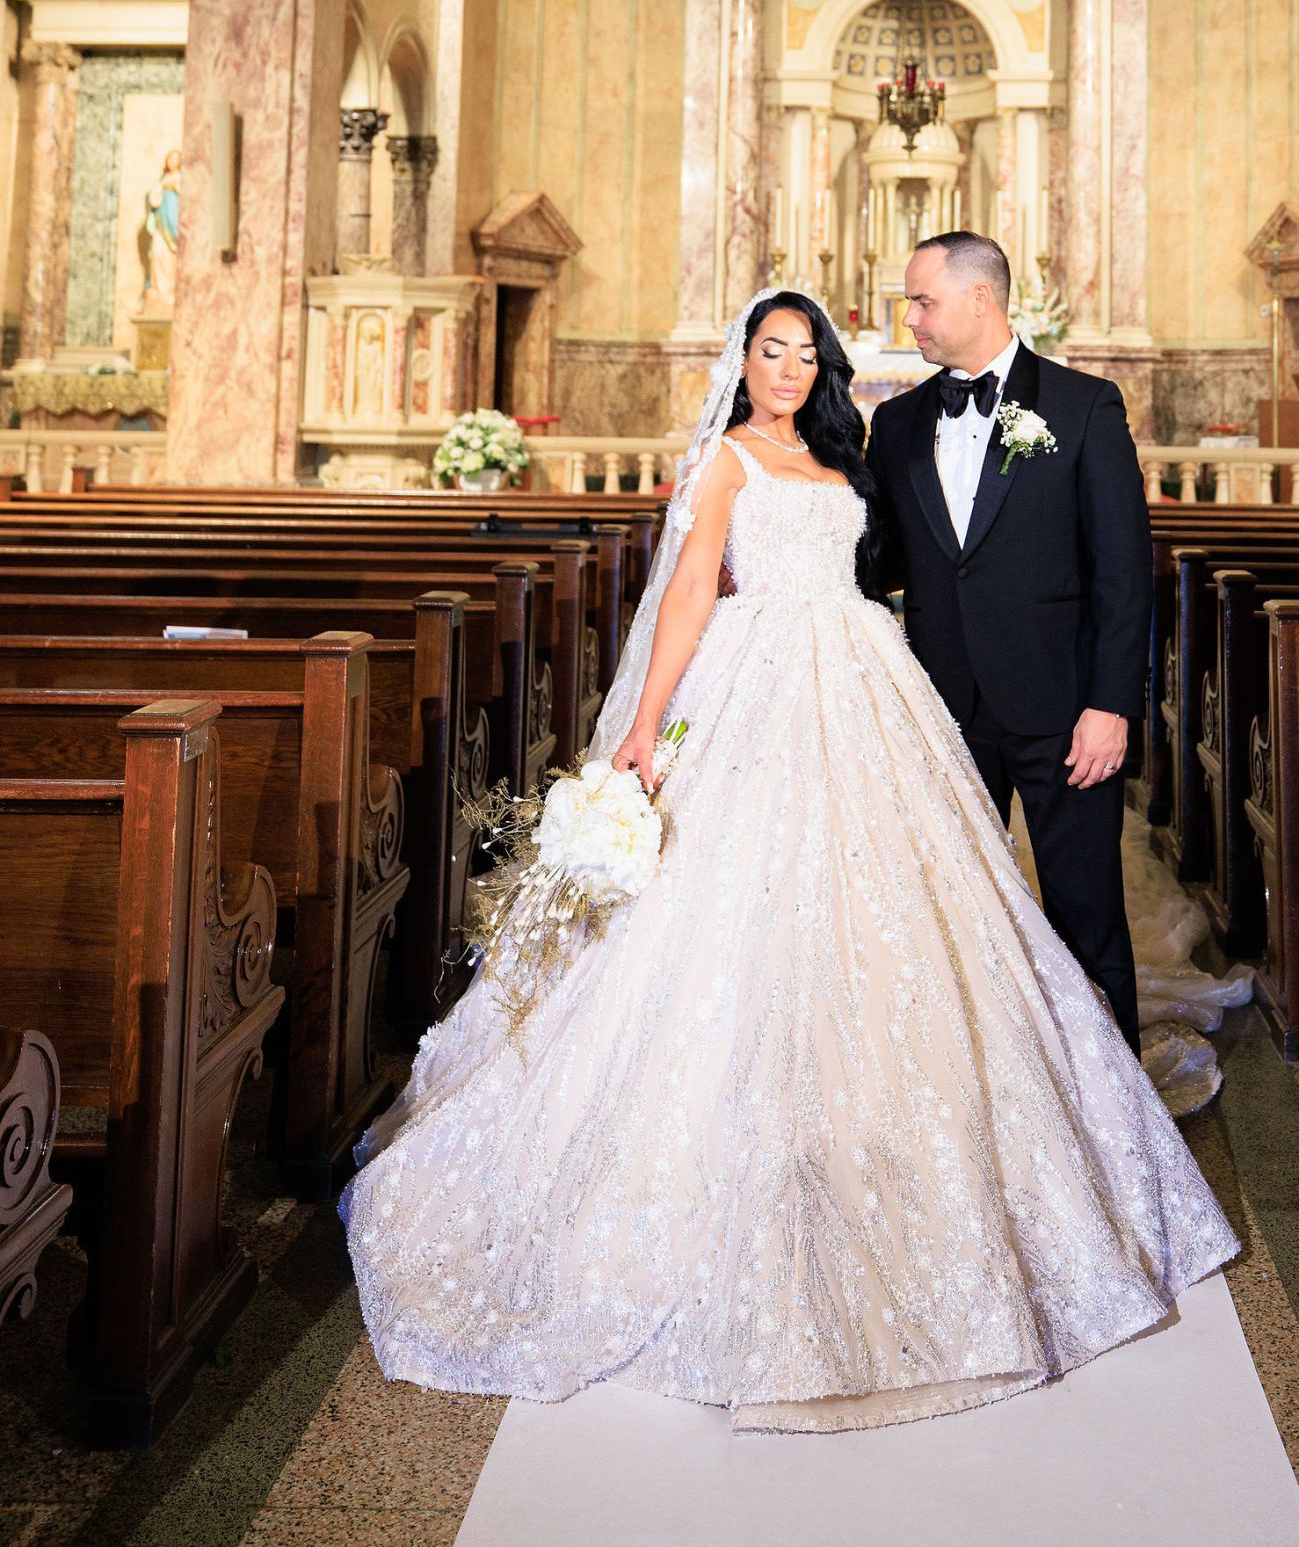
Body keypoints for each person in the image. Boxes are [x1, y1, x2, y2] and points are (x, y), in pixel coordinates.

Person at [344, 289, 1234, 1423]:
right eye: (771, 352)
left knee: (909, 913)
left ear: (826, 368)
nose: (788, 370)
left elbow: (910, 563)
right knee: (743, 910)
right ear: (744, 360)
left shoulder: (853, 455)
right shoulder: (726, 460)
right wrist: (645, 728)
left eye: (806, 355)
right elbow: (684, 599)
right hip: (754, 687)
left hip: (868, 684)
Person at [865, 233, 1149, 1050]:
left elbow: (1122, 572)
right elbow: (877, 560)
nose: (909, 317)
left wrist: (1110, 705)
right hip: (941, 711)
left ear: (981, 299)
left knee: (1085, 912)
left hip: (1063, 712)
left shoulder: (1082, 405)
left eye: (923, 300)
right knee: (955, 915)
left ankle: (1112, 1103)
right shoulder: (898, 422)